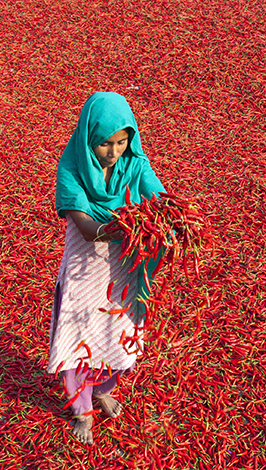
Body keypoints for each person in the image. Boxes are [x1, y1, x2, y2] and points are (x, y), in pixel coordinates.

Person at [47, 92, 166, 446]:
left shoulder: (135, 163)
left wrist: (171, 222)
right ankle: (81, 407)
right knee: (78, 329)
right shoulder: (72, 166)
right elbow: (84, 225)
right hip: (86, 263)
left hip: (124, 264)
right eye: (104, 144)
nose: (113, 151)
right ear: (88, 139)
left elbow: (159, 200)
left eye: (121, 141)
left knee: (119, 328)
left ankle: (101, 388)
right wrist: (129, 228)